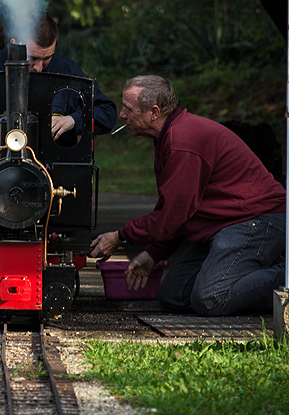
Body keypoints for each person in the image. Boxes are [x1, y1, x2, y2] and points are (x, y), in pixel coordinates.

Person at [89, 75, 286, 316]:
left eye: (128, 108)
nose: (121, 115)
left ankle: (284, 277)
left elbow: (171, 215)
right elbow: (179, 213)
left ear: (154, 111)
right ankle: (243, 276)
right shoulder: (166, 139)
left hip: (256, 220)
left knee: (209, 298)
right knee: (174, 295)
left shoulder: (183, 141)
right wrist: (154, 253)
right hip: (220, 226)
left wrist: (120, 236)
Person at [0, 13, 117, 143]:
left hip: (54, 166)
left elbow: (107, 112)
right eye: (32, 57)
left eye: (47, 58)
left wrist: (73, 120)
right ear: (14, 43)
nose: (39, 67)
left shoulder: (66, 70)